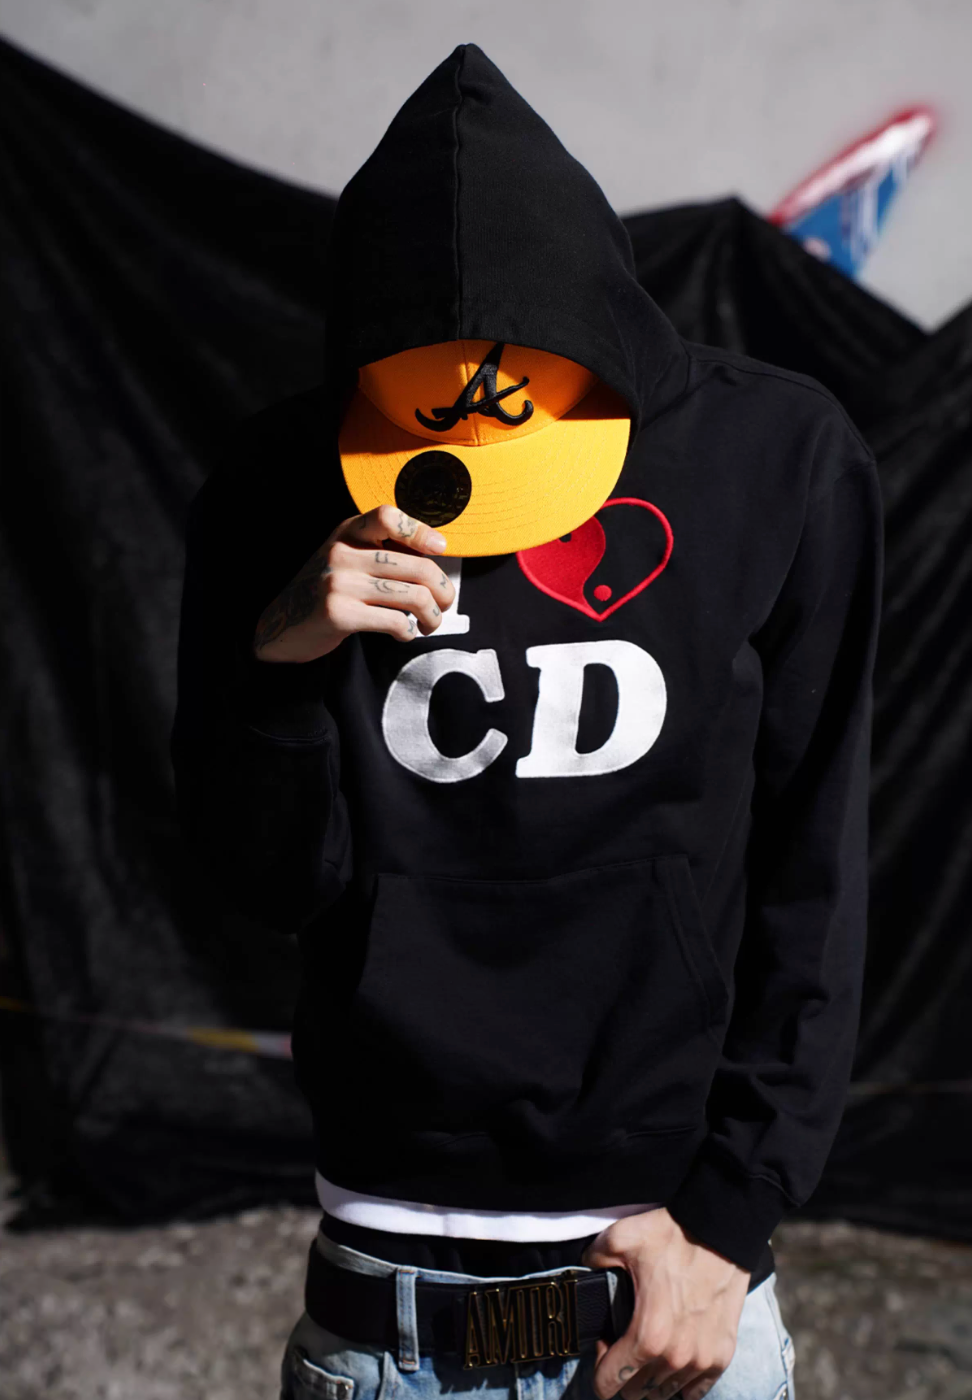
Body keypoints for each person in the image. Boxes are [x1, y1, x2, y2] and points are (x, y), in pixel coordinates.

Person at [171, 43, 883, 1400]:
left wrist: (731, 1224)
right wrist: (278, 663)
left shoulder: (774, 461)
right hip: (388, 1291)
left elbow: (819, 870)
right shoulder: (274, 484)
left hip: (669, 1291)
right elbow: (258, 889)